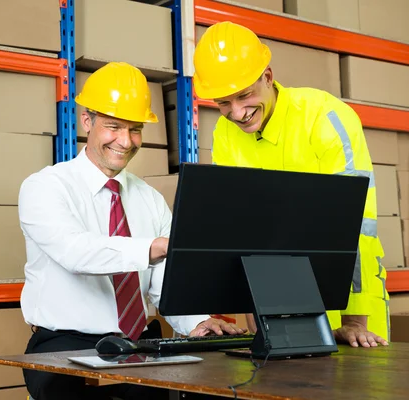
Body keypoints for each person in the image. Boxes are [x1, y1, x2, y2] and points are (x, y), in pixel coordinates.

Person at [18, 61, 246, 400]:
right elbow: (75, 252)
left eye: (135, 129)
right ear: (87, 121)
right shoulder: (45, 187)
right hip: (63, 344)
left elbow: (165, 280)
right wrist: (151, 247)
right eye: (113, 127)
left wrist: (196, 323)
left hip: (138, 342)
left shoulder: (149, 199)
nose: (125, 141)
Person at [192, 21, 390, 348]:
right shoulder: (225, 135)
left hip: (351, 298)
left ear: (267, 77)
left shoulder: (325, 117)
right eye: (224, 103)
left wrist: (355, 319)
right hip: (277, 297)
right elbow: (238, 226)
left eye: (244, 95)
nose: (237, 113)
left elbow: (357, 224)